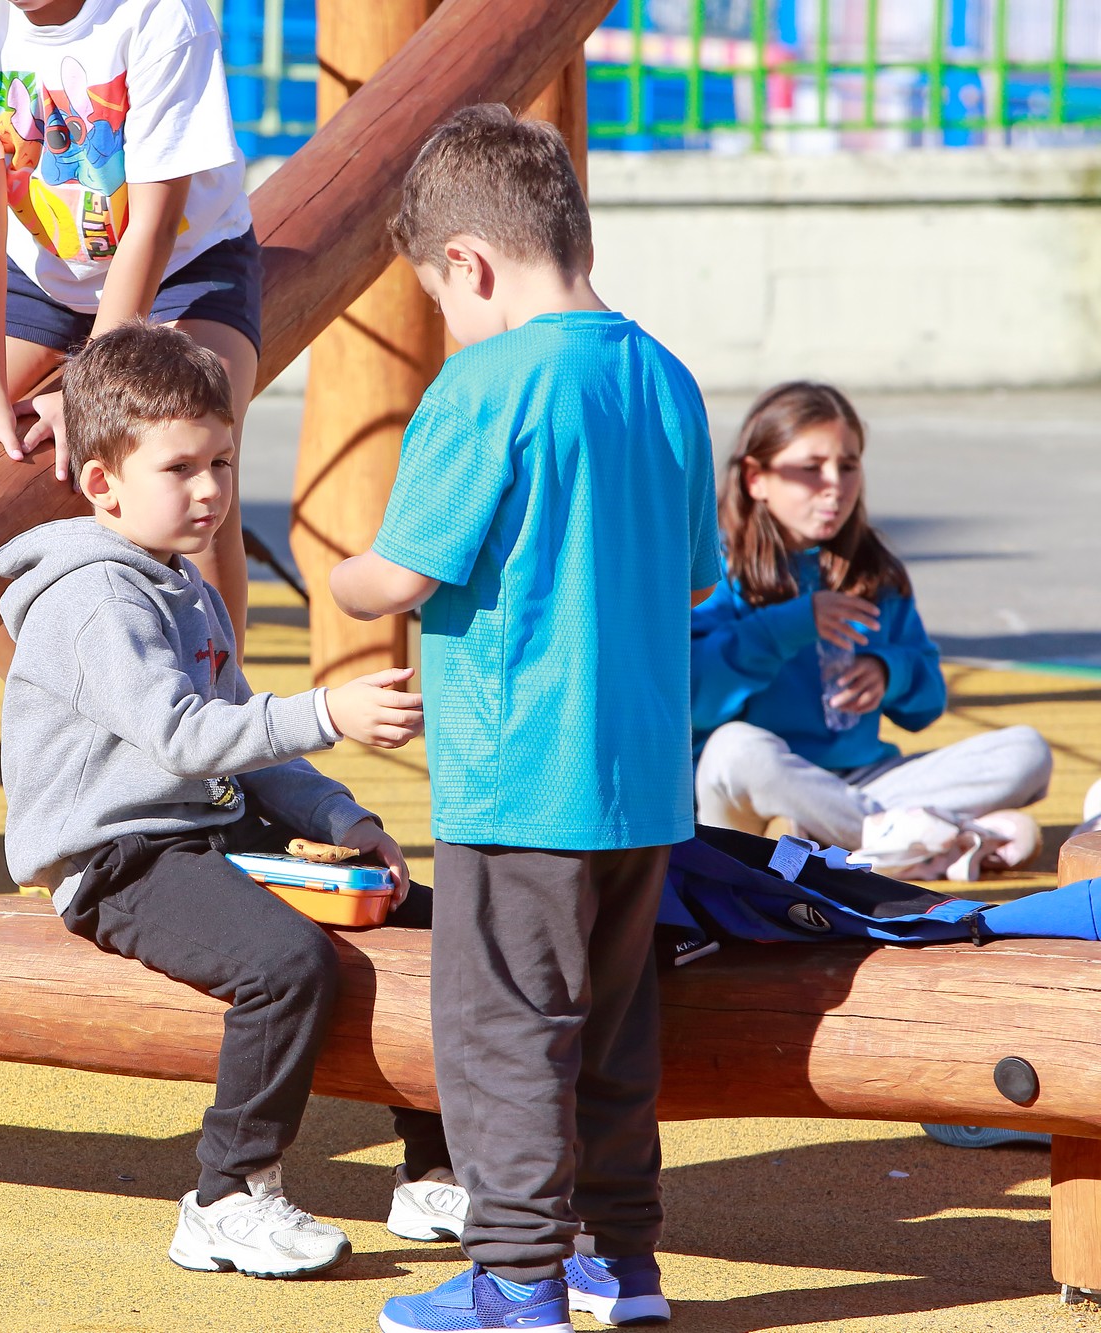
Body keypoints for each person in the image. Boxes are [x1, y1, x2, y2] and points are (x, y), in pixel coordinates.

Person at [330, 105, 720, 1331]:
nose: (449, 321)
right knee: (611, 1028)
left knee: (503, 1030)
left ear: (470, 263)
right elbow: (693, 578)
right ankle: (621, 1263)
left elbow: (399, 572)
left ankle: (513, 1278)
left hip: (515, 774)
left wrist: (343, 578)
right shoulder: (663, 375)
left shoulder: (485, 381)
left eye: (440, 298)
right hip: (640, 777)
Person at [0, 322, 463, 1280]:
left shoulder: (184, 582)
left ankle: (436, 1170)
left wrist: (342, 819)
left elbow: (243, 733)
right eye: (180, 468)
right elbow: (184, 735)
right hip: (120, 856)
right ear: (102, 482)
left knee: (424, 922)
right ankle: (227, 1195)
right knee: (286, 965)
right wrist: (328, 711)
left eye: (222, 461)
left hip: (207, 826)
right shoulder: (97, 599)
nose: (209, 489)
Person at [0, 0, 263, 671]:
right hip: (40, 274)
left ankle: (214, 705)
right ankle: (71, 695)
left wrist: (89, 388)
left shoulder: (160, 16)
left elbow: (153, 222)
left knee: (189, 476)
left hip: (183, 268)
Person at [690, 382, 1052, 879]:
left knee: (1025, 750)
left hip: (865, 784)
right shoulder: (712, 570)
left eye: (848, 466)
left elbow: (926, 703)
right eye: (811, 468)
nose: (834, 485)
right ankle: (926, 839)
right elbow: (693, 699)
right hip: (755, 794)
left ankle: (851, 842)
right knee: (732, 750)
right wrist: (784, 628)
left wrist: (888, 672)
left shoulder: (872, 571)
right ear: (756, 478)